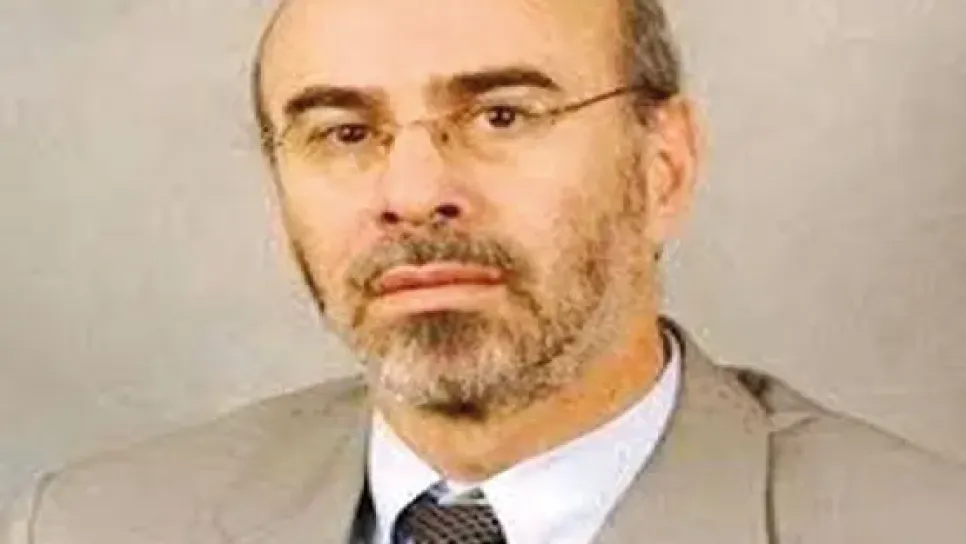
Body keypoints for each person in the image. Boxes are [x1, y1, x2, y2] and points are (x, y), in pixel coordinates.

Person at [4, 0, 966, 542]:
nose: (414, 193)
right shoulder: (91, 527)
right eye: (344, 132)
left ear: (662, 167)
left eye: (503, 115)